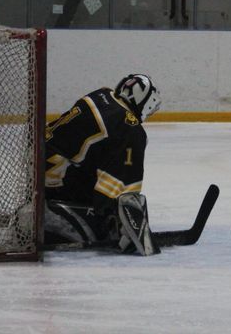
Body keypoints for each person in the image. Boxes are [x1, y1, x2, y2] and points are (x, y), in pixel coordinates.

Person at [43, 73, 162, 255]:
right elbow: (121, 183)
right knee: (113, 189)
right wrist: (115, 215)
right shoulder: (130, 127)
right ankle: (56, 217)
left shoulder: (102, 94)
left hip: (40, 160)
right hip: (54, 180)